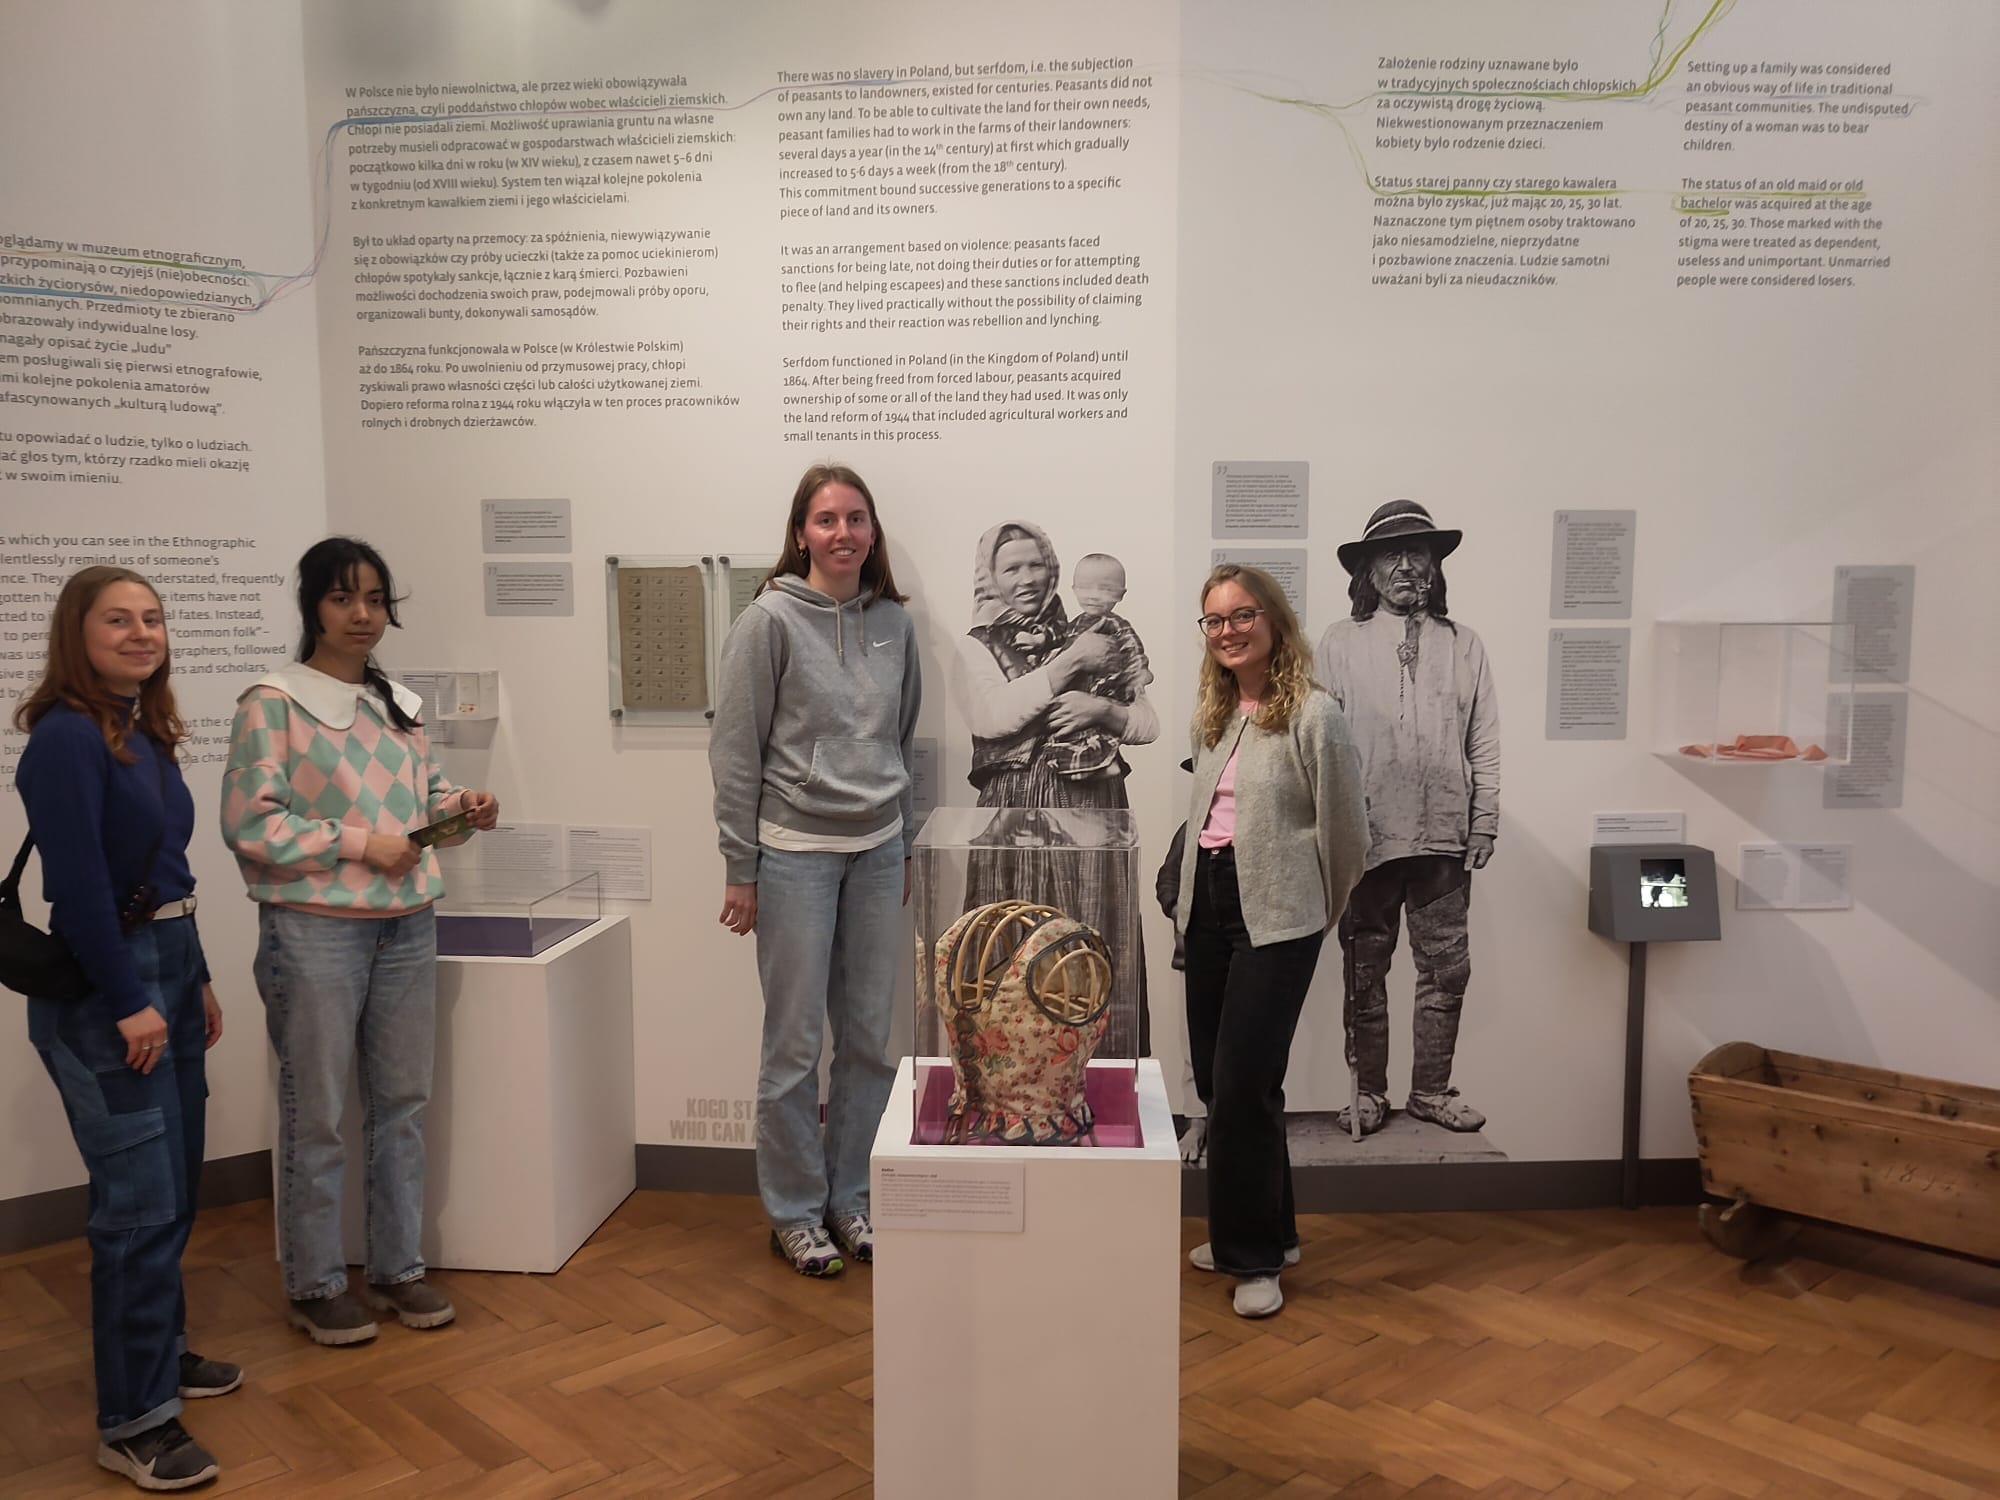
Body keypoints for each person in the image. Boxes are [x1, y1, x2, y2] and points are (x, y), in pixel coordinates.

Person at [222, 538, 498, 1346]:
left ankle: (396, 1267)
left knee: (402, 1106)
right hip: (314, 928)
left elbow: (424, 799)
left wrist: (463, 807)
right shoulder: (271, 700)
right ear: (312, 605)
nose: (363, 615)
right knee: (319, 1113)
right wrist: (358, 843)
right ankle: (312, 1284)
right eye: (344, 599)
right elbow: (250, 822)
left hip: (406, 921)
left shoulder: (396, 702)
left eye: (375, 599)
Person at [15, 566, 236, 1491]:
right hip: (115, 985)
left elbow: (165, 866)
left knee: (174, 1190)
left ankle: (161, 1352)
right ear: (79, 632)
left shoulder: (138, 727)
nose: (141, 633)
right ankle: (134, 1422)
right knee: (139, 1208)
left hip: (171, 968)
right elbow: (79, 892)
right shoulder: (66, 740)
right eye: (119, 620)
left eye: (151, 619)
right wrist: (131, 1000)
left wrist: (200, 980)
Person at [710, 464, 922, 1277]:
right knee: (794, 1047)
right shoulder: (767, 621)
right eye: (826, 520)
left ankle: (851, 1200)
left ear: (872, 533)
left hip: (875, 852)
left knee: (869, 1042)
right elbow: (734, 750)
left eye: (856, 519)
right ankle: (795, 1212)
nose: (843, 534)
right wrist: (741, 865)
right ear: (800, 533)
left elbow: (902, 740)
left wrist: (899, 842)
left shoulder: (894, 626)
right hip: (793, 854)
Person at [1176, 564, 1368, 1319]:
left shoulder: (1316, 716)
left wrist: (1311, 916)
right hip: (1210, 909)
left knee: (1244, 1087)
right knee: (1229, 1088)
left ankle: (1251, 1259)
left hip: (1277, 919)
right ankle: (1272, 1232)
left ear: (1274, 621)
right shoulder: (1215, 715)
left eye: (1242, 614)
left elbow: (1347, 838)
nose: (1229, 630)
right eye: (1215, 619)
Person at [1314, 500, 1501, 1138]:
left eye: (1416, 552)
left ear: (1434, 564)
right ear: (1366, 570)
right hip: (1367, 837)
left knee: (1447, 969)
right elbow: (1319, 741)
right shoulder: (1339, 643)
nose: (1403, 566)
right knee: (1366, 969)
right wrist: (1328, 828)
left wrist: (1485, 819)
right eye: (1389, 555)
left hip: (1444, 837)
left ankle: (1429, 1091)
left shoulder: (1464, 644)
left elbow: (1483, 741)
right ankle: (1367, 1093)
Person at [959, 522, 1158, 1054]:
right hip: (1012, 807)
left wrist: (1102, 710)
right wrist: (1070, 665)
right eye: (1011, 568)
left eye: (1035, 565)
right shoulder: (979, 645)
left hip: (1090, 799)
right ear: (991, 577)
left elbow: (1146, 721)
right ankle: (1009, 1089)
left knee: (1093, 938)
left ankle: (1104, 1085)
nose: (1026, 578)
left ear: (1053, 569)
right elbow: (992, 715)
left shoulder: (1100, 630)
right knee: (1010, 942)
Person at [1044, 552, 1153, 778]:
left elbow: (1132, 649)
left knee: (1097, 729)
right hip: (1082, 687)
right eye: (1085, 588)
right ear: (1073, 588)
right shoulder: (1075, 623)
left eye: (1105, 589)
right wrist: (1038, 639)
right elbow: (1057, 637)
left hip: (1107, 688)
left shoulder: (1115, 624)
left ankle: (1108, 763)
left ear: (1120, 595)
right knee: (1073, 731)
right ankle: (1087, 767)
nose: (1093, 596)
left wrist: (1139, 673)